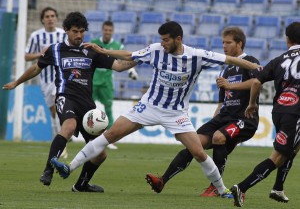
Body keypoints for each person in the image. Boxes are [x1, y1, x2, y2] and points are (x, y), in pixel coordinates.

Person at [49, 21, 260, 196]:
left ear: (178, 39)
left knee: (198, 152)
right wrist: (104, 51)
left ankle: (222, 190)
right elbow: (129, 55)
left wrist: (258, 68)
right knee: (110, 134)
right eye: (161, 39)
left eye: (166, 39)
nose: (162, 43)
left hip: (176, 113)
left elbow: (229, 59)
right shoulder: (155, 50)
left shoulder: (196, 55)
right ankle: (70, 167)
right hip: (148, 106)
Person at [3, 12, 137, 192]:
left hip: (87, 106)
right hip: (66, 97)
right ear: (66, 30)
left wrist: (140, 58)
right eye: (75, 31)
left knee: (100, 154)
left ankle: (81, 185)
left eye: (82, 31)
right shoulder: (55, 49)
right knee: (69, 126)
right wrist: (17, 82)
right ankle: (48, 169)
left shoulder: (92, 50)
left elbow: (119, 66)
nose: (79, 35)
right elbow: (36, 68)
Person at [145, 27, 260, 197]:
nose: (224, 46)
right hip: (224, 118)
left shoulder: (249, 61)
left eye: (228, 42)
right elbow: (222, 102)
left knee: (218, 138)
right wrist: (214, 121)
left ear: (240, 43)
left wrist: (231, 85)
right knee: (194, 144)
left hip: (244, 118)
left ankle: (215, 187)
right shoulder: (226, 69)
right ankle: (162, 180)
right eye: (223, 42)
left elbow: (257, 82)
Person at [230, 22, 300, 207]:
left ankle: (278, 187)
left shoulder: (279, 59)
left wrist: (252, 103)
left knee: (292, 148)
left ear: (287, 40)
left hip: (279, 111)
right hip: (296, 113)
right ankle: (242, 187)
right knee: (278, 156)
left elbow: (256, 83)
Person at [25, 7, 68, 158]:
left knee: (58, 104)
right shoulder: (36, 36)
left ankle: (61, 145)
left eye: (53, 16)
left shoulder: (63, 34)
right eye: (47, 16)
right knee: (53, 111)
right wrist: (41, 53)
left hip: (61, 78)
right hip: (44, 79)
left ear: (56, 18)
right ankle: (58, 136)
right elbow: (26, 56)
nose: (50, 18)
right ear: (42, 19)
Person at [91, 20, 138, 150]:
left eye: (109, 30)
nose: (107, 32)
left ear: (112, 31)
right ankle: (88, 135)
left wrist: (131, 70)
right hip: (93, 81)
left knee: (109, 109)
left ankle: (109, 138)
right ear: (102, 30)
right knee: (89, 108)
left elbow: (126, 58)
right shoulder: (94, 42)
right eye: (105, 30)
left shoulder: (117, 45)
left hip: (106, 82)